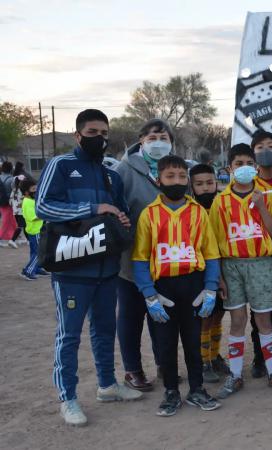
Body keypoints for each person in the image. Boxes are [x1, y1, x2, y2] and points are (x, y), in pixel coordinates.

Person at [37, 109, 142, 426]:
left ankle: (107, 386)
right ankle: (68, 399)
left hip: (106, 270)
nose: (100, 138)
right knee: (69, 336)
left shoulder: (111, 174)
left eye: (104, 133)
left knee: (105, 331)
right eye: (93, 132)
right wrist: (94, 208)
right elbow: (44, 206)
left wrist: (120, 217)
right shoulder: (61, 165)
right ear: (78, 135)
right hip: (71, 272)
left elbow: (119, 210)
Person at [132, 155, 221, 416]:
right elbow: (140, 258)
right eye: (170, 177)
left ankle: (197, 389)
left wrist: (211, 289)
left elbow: (212, 253)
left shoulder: (198, 213)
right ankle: (171, 391)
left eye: (182, 177)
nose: (177, 181)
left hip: (193, 285)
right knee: (166, 343)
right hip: (163, 288)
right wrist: (149, 295)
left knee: (193, 342)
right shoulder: (149, 215)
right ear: (158, 179)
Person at [209, 143, 272, 398]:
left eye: (249, 164)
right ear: (229, 168)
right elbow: (213, 242)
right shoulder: (220, 202)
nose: (244, 168)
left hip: (261, 264)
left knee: (264, 320)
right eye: (238, 164)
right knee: (237, 320)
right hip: (232, 265)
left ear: (256, 168)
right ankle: (235, 375)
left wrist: (262, 208)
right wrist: (220, 276)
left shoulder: (267, 197)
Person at [113, 118, 174, 392]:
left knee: (161, 315)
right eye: (152, 137)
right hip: (131, 259)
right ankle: (133, 370)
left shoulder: (173, 169)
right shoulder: (124, 171)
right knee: (131, 315)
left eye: (163, 137)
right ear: (141, 141)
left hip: (168, 258)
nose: (158, 142)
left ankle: (165, 364)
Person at [190, 163, 230, 383]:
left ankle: (214, 356)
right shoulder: (190, 210)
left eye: (209, 183)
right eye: (199, 184)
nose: (205, 188)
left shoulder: (222, 205)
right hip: (202, 274)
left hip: (224, 270)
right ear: (192, 186)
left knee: (218, 316)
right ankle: (203, 360)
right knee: (204, 317)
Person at [249, 130, 272, 378]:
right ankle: (260, 357)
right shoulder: (248, 185)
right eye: (259, 147)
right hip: (259, 255)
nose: (265, 151)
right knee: (259, 311)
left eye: (270, 145)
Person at [19, 178, 46, 280]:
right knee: (39, 252)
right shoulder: (28, 202)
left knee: (34, 251)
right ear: (26, 192)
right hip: (36, 231)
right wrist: (46, 213)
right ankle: (28, 271)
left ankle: (37, 267)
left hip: (34, 230)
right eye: (33, 189)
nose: (36, 191)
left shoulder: (30, 200)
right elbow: (34, 217)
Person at [0, 161, 17, 248]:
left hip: (1, 202)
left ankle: (15, 235)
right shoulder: (11, 179)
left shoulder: (0, 177)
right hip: (8, 202)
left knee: (11, 218)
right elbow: (14, 191)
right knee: (6, 220)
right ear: (11, 169)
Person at [10, 175, 28, 247]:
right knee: (21, 226)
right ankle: (12, 240)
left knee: (24, 226)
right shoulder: (23, 191)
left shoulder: (14, 190)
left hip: (15, 211)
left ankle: (28, 240)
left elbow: (10, 202)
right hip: (21, 211)